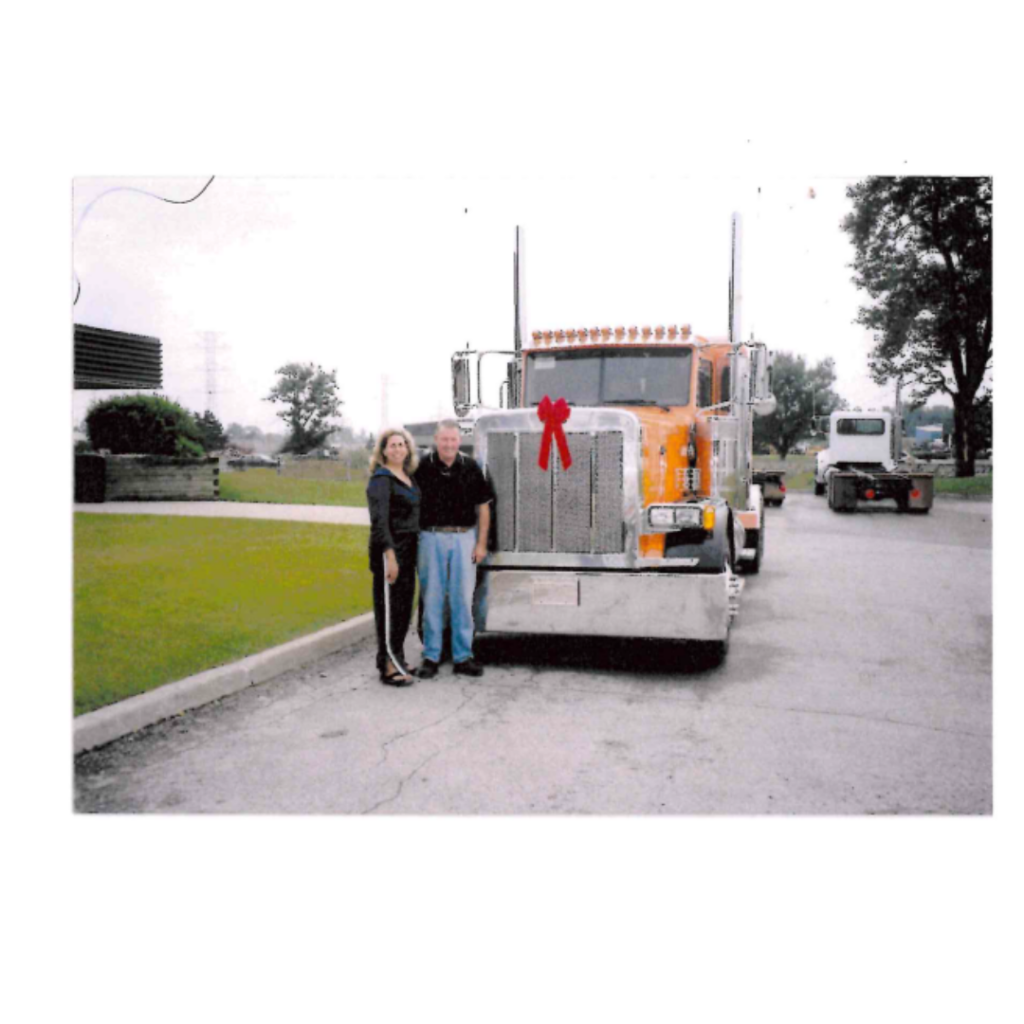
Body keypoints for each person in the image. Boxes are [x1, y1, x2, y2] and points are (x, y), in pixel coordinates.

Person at [414, 420, 494, 679]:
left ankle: (463, 656)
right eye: (444, 439)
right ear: (436, 440)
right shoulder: (423, 467)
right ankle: (431, 655)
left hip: (464, 539)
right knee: (432, 598)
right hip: (430, 538)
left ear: (459, 441)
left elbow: (483, 507)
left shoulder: (470, 467)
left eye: (453, 439)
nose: (448, 444)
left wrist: (481, 544)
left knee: (462, 598)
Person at [366, 427, 421, 686]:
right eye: (393, 445)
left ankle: (396, 657)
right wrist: (390, 555)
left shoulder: (408, 477)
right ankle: (387, 666)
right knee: (388, 611)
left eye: (402, 445)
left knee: (403, 610)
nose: (398, 449)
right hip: (391, 554)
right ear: (383, 451)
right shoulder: (381, 480)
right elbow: (379, 521)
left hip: (409, 553)